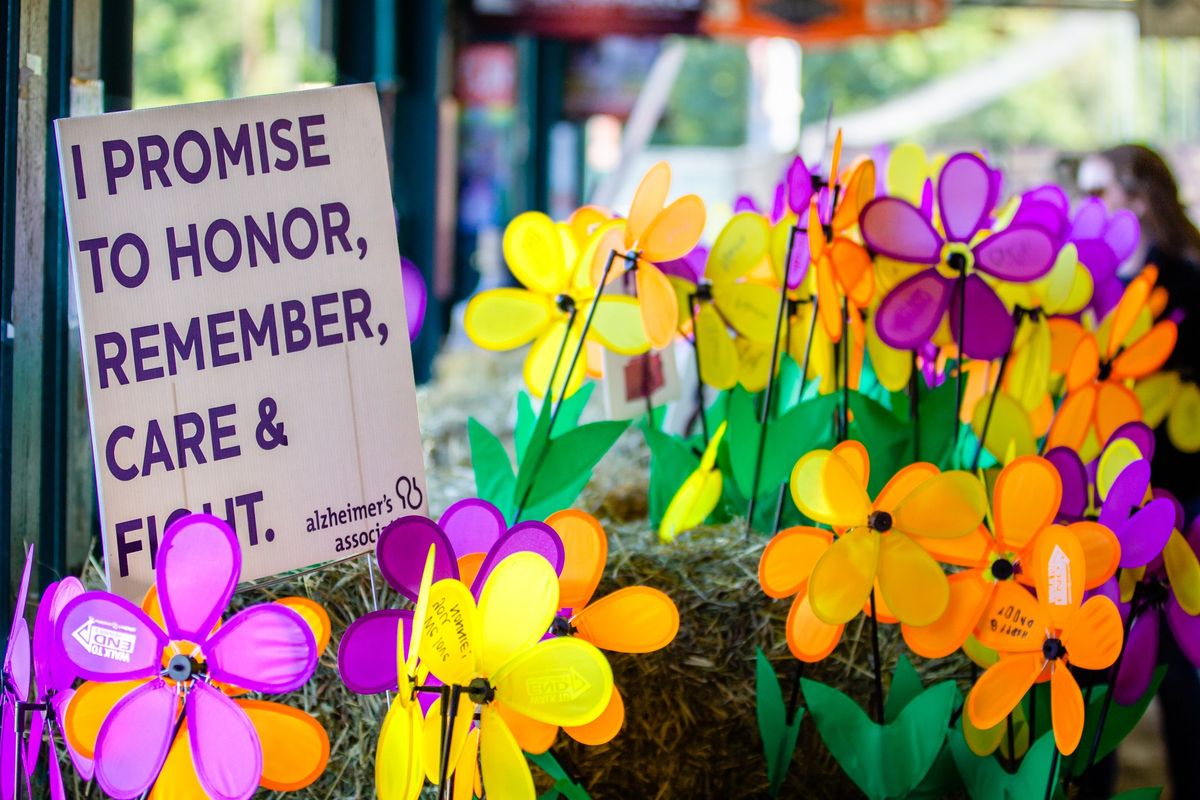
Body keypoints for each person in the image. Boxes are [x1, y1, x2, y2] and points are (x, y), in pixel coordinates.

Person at [1077, 143, 1200, 800]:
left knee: (1164, 665)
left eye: (1100, 192)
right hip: (1143, 505)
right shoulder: (1136, 279)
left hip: (1163, 507)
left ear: (1141, 197)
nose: (1088, 207)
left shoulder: (1167, 285)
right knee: (1137, 661)